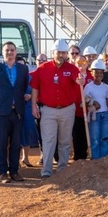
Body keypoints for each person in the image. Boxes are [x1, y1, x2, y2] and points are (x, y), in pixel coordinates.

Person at [30, 39, 81, 178]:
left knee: (64, 141)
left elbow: (79, 80)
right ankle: (46, 171)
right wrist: (33, 105)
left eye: (64, 53)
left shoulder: (72, 68)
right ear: (53, 53)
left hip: (67, 109)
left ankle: (62, 169)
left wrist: (80, 80)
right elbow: (35, 87)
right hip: (48, 110)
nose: (61, 55)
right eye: (59, 52)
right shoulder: (43, 68)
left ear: (67, 54)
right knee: (48, 141)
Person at [0, 42, 31, 183]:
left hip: (17, 111)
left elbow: (23, 88)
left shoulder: (23, 69)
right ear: (2, 52)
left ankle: (14, 171)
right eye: (7, 50)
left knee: (16, 143)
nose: (10, 53)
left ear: (16, 52)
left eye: (12, 50)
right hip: (1, 112)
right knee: (2, 143)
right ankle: (3, 172)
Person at [83, 58, 108, 159]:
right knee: (94, 139)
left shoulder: (106, 87)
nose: (99, 75)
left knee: (104, 139)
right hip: (94, 116)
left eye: (101, 72)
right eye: (96, 72)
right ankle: (95, 161)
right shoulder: (88, 87)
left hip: (104, 115)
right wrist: (92, 104)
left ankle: (103, 160)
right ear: (91, 73)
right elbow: (84, 102)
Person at [68, 44, 89, 162]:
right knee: (76, 135)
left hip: (88, 111)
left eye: (83, 62)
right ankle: (77, 158)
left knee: (86, 135)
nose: (81, 65)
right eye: (78, 63)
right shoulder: (72, 76)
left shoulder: (91, 75)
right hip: (75, 110)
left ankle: (85, 155)